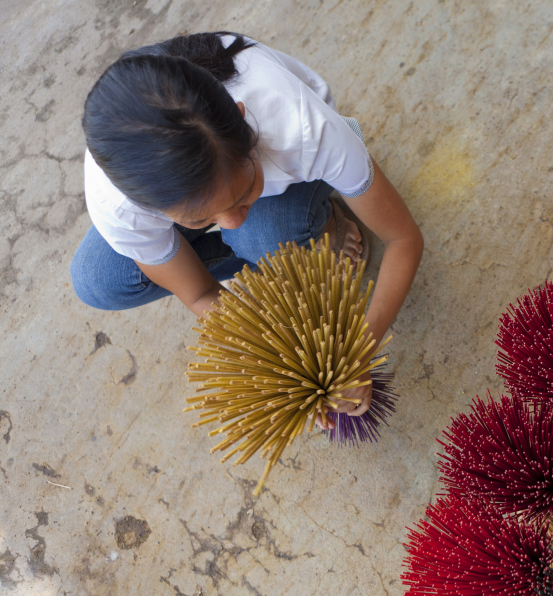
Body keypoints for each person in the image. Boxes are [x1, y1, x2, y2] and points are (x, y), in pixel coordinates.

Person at [72, 32, 423, 425]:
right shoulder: (118, 203)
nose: (232, 220)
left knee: (260, 237)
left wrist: (356, 354)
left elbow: (403, 238)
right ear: (147, 205)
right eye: (202, 220)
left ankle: (322, 219)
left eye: (243, 194)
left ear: (242, 118)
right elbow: (202, 293)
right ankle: (268, 250)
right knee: (99, 279)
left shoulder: (302, 128)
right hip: (168, 201)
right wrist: (282, 360)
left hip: (295, 162)